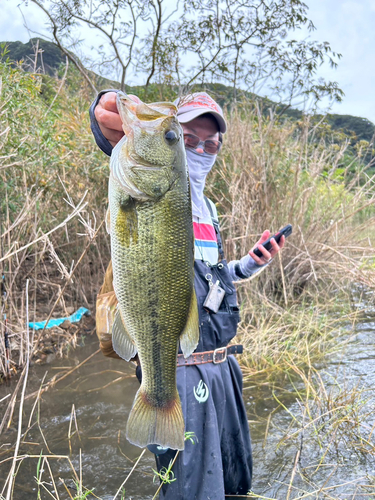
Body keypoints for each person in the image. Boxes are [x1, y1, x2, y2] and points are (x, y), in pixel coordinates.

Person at [90, 90, 284, 499]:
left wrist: (247, 266)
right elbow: (112, 133)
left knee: (234, 481)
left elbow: (210, 279)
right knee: (192, 490)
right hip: (177, 371)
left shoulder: (208, 209)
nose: (199, 149)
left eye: (210, 143)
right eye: (185, 138)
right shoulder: (147, 182)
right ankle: (156, 404)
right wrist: (105, 109)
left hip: (223, 368)